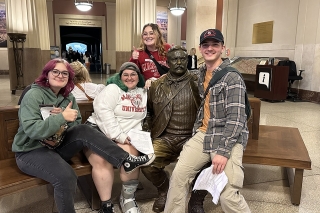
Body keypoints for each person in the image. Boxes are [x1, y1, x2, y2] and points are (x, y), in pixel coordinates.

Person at [12, 58, 155, 213]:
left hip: (57, 146)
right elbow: (32, 130)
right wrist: (60, 118)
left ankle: (125, 160)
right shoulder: (34, 94)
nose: (60, 75)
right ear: (47, 74)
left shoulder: (68, 97)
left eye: (65, 73)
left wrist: (64, 121)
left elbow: (75, 125)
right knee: (67, 177)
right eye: (55, 71)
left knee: (84, 129)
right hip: (32, 151)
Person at [164, 29, 251, 212]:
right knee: (178, 176)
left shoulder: (232, 77)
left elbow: (236, 119)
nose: (210, 48)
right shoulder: (201, 72)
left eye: (215, 44)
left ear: (223, 48)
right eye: (206, 45)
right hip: (204, 133)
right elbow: (175, 77)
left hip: (227, 136)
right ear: (200, 48)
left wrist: (223, 151)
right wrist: (153, 80)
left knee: (228, 193)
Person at [141, 45, 210, 213]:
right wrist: (146, 137)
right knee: (148, 164)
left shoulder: (198, 82)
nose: (179, 62)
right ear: (168, 62)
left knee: (207, 164)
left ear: (187, 60)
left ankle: (196, 199)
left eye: (182, 59)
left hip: (192, 137)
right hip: (165, 137)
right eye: (174, 59)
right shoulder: (157, 85)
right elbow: (149, 113)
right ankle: (164, 190)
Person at [85, 62, 148, 213]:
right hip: (98, 132)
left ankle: (127, 198)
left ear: (138, 76)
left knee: (131, 155)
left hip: (124, 136)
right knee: (102, 160)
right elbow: (103, 112)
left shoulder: (143, 91)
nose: (129, 77)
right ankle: (106, 204)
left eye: (133, 74)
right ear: (120, 77)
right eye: (125, 74)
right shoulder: (113, 89)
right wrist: (118, 135)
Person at [129, 23, 171, 88]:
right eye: (145, 34)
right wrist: (133, 59)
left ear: (158, 35)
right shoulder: (139, 53)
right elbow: (131, 73)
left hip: (168, 87)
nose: (148, 36)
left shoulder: (167, 48)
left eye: (151, 33)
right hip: (150, 90)